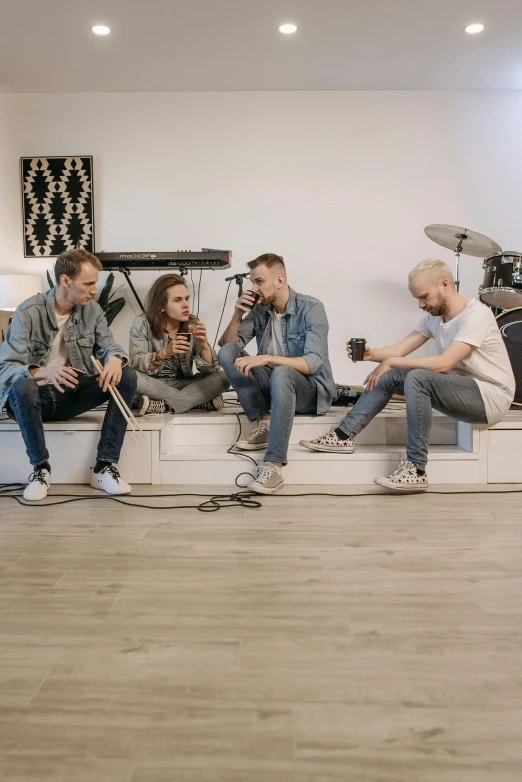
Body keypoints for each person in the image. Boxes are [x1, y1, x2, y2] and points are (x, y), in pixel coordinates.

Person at [300, 258, 515, 491]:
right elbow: (397, 351)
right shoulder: (434, 319)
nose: (421, 305)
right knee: (393, 374)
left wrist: (392, 361)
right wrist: (371, 355)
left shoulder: (477, 315)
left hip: (491, 396)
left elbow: (445, 363)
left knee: (417, 377)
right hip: (463, 388)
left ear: (444, 284)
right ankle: (343, 435)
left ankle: (416, 469)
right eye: (417, 299)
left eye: (424, 297)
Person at [0, 248, 137, 501]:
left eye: (95, 283)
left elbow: (109, 345)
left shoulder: (92, 311)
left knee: (127, 376)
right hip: (32, 401)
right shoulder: (28, 313)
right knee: (23, 386)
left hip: (68, 397)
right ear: (65, 280)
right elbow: (5, 369)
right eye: (88, 283)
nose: (94, 290)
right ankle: (41, 469)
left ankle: (104, 466)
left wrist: (115, 359)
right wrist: (42, 372)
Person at [218, 253, 335, 494]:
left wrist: (267, 358)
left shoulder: (311, 308)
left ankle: (273, 464)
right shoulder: (261, 311)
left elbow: (314, 363)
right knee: (229, 352)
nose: (254, 288)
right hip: (275, 389)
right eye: (252, 282)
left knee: (282, 371)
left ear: (279, 281)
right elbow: (228, 345)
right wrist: (237, 315)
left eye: (259, 281)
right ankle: (264, 422)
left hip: (310, 391)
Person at [129, 274, 229, 415]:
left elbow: (210, 371)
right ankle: (194, 401)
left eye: (187, 299)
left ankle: (164, 406)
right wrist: (165, 352)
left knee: (224, 376)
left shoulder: (192, 324)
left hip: (182, 383)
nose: (185, 305)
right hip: (151, 383)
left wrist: (203, 345)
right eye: (177, 300)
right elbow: (135, 362)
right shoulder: (142, 324)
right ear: (161, 306)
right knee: (129, 376)